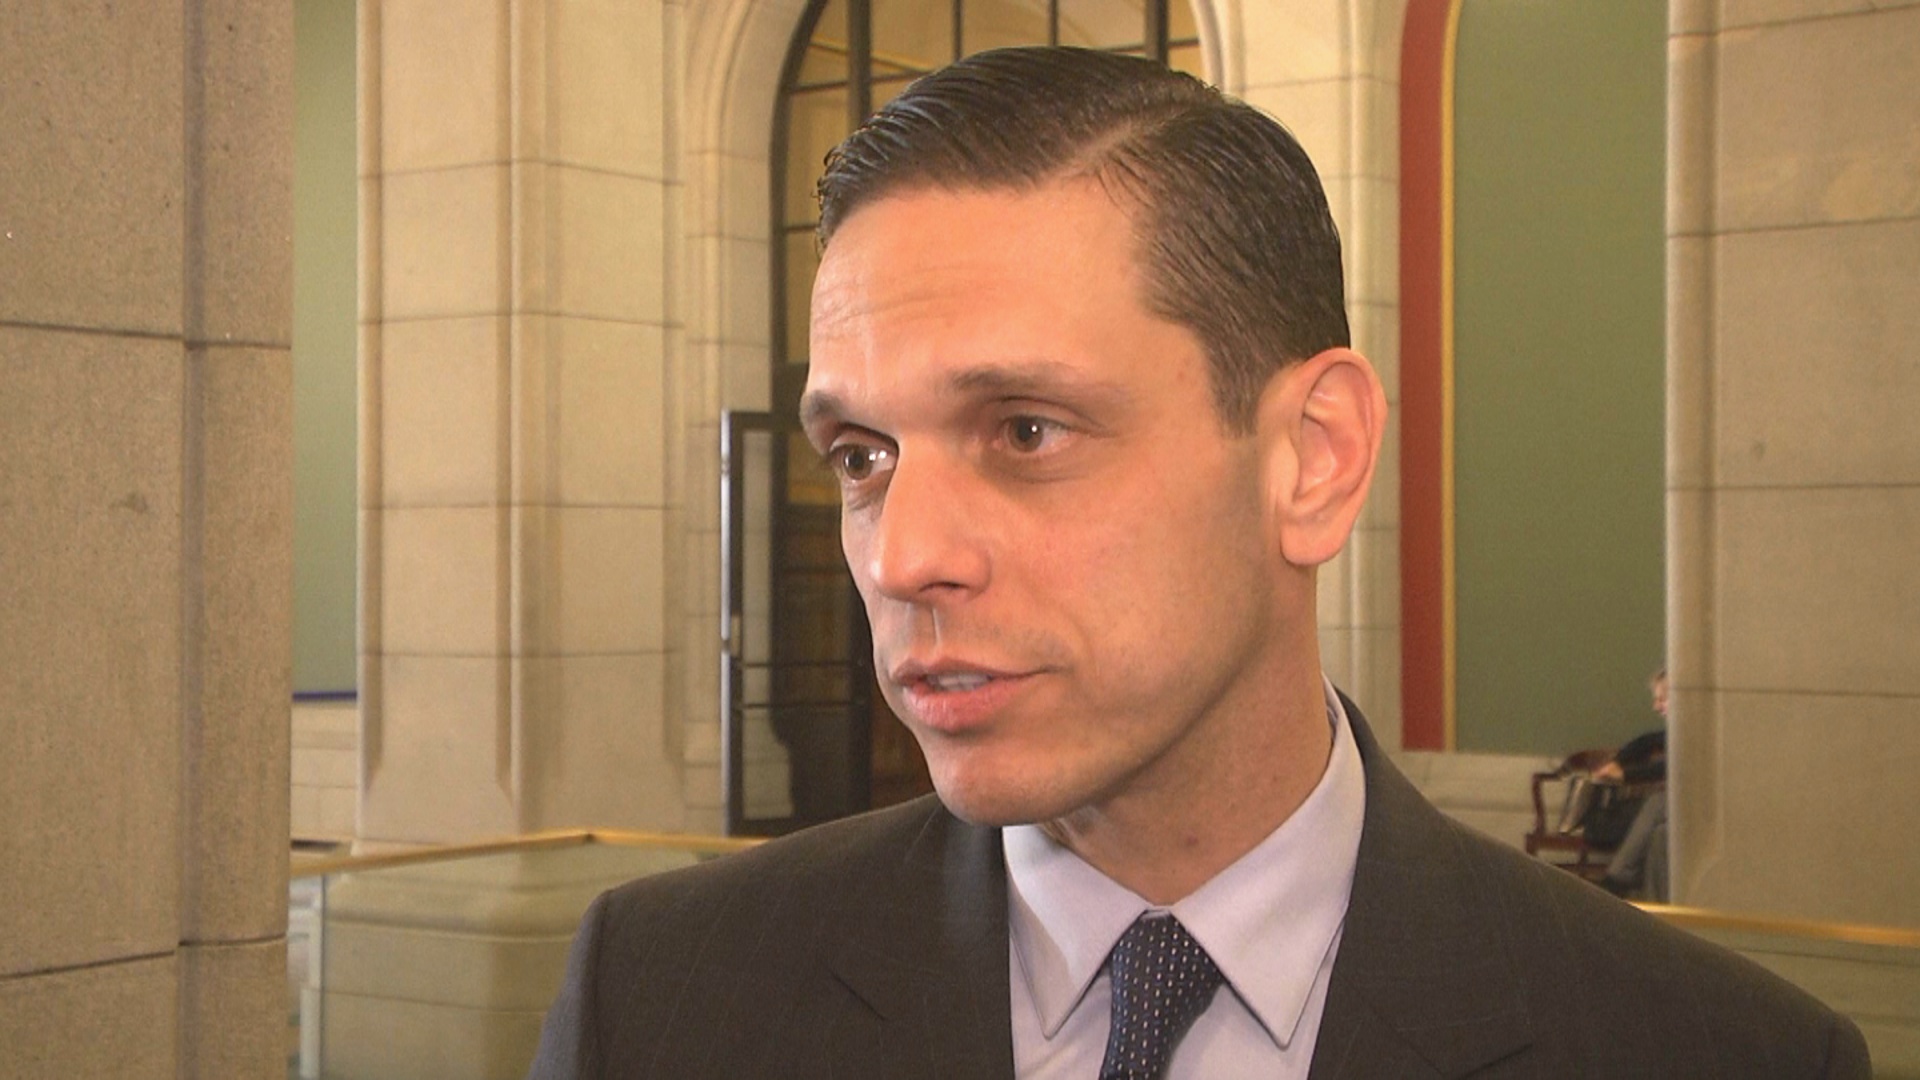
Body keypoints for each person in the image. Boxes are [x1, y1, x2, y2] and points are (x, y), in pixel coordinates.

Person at [528, 47, 1868, 1079]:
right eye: (863, 455)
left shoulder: (1711, 1053)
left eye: (1027, 430)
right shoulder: (661, 1000)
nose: (906, 556)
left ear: (1313, 458)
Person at [1598, 669, 1671, 900]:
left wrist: (1625, 775)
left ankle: (1617, 876)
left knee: (1658, 802)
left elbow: (1669, 767)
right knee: (1659, 836)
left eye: (1662, 699)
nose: (1656, 707)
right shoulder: (1678, 731)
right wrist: (1617, 763)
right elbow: (1645, 743)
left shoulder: (1697, 731)